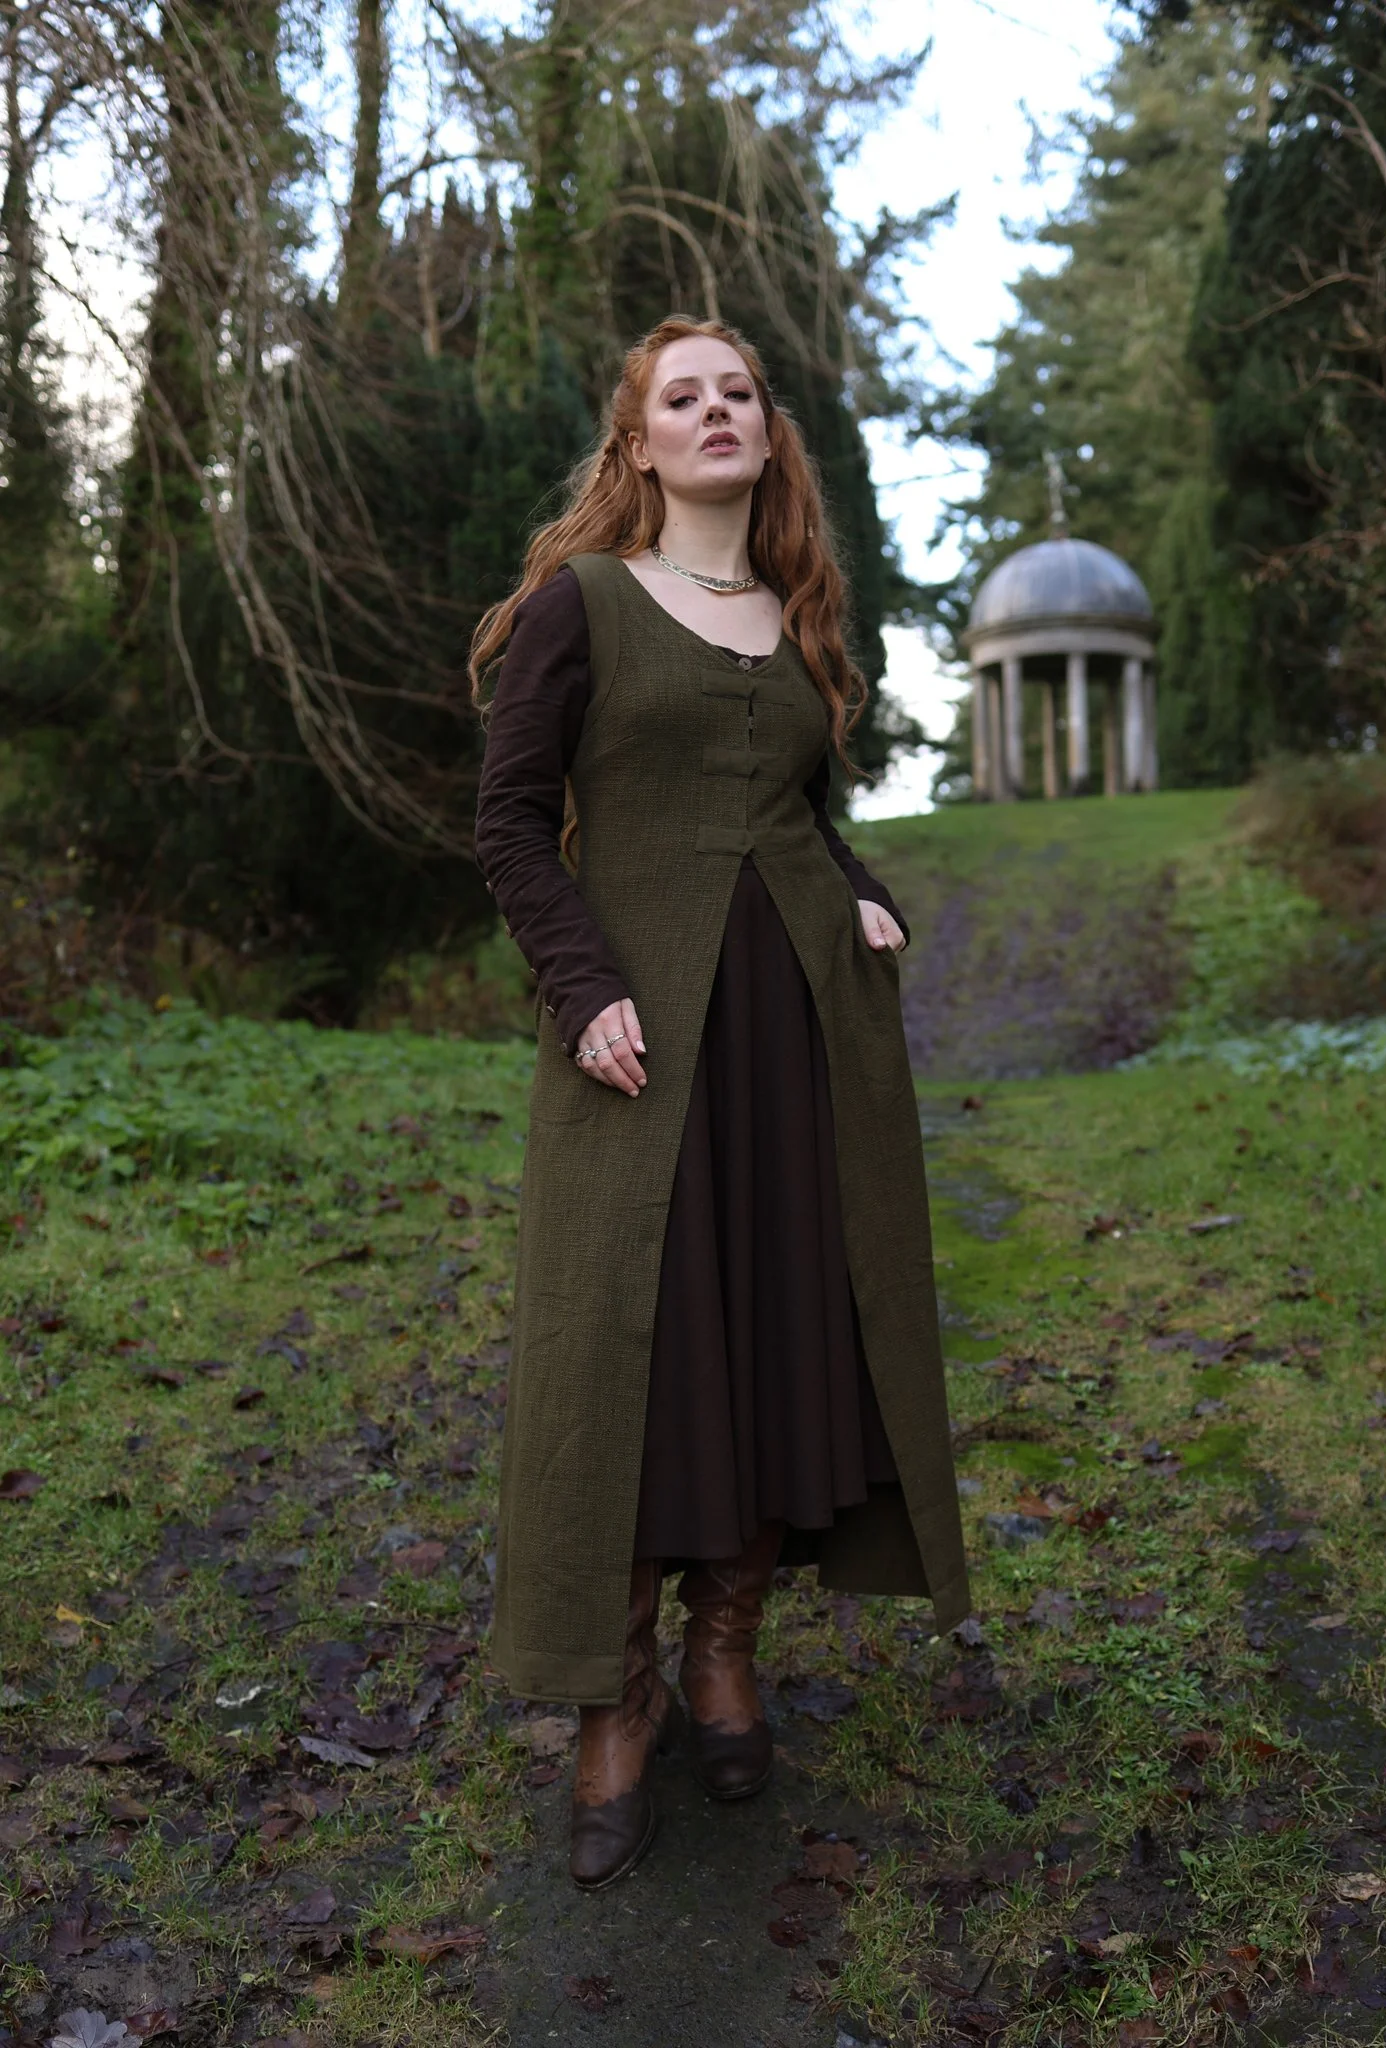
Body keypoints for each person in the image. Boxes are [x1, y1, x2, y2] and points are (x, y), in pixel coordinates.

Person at [472, 317, 969, 1891]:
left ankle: (723, 1655)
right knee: (636, 1346)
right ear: (635, 444)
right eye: (678, 397)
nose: (712, 412)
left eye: (736, 392)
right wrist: (582, 982)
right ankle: (612, 1700)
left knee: (772, 1338)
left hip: (797, 1045)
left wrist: (861, 891)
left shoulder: (799, 613)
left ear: (768, 431)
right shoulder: (584, 605)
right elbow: (506, 825)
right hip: (639, 1044)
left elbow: (798, 818)